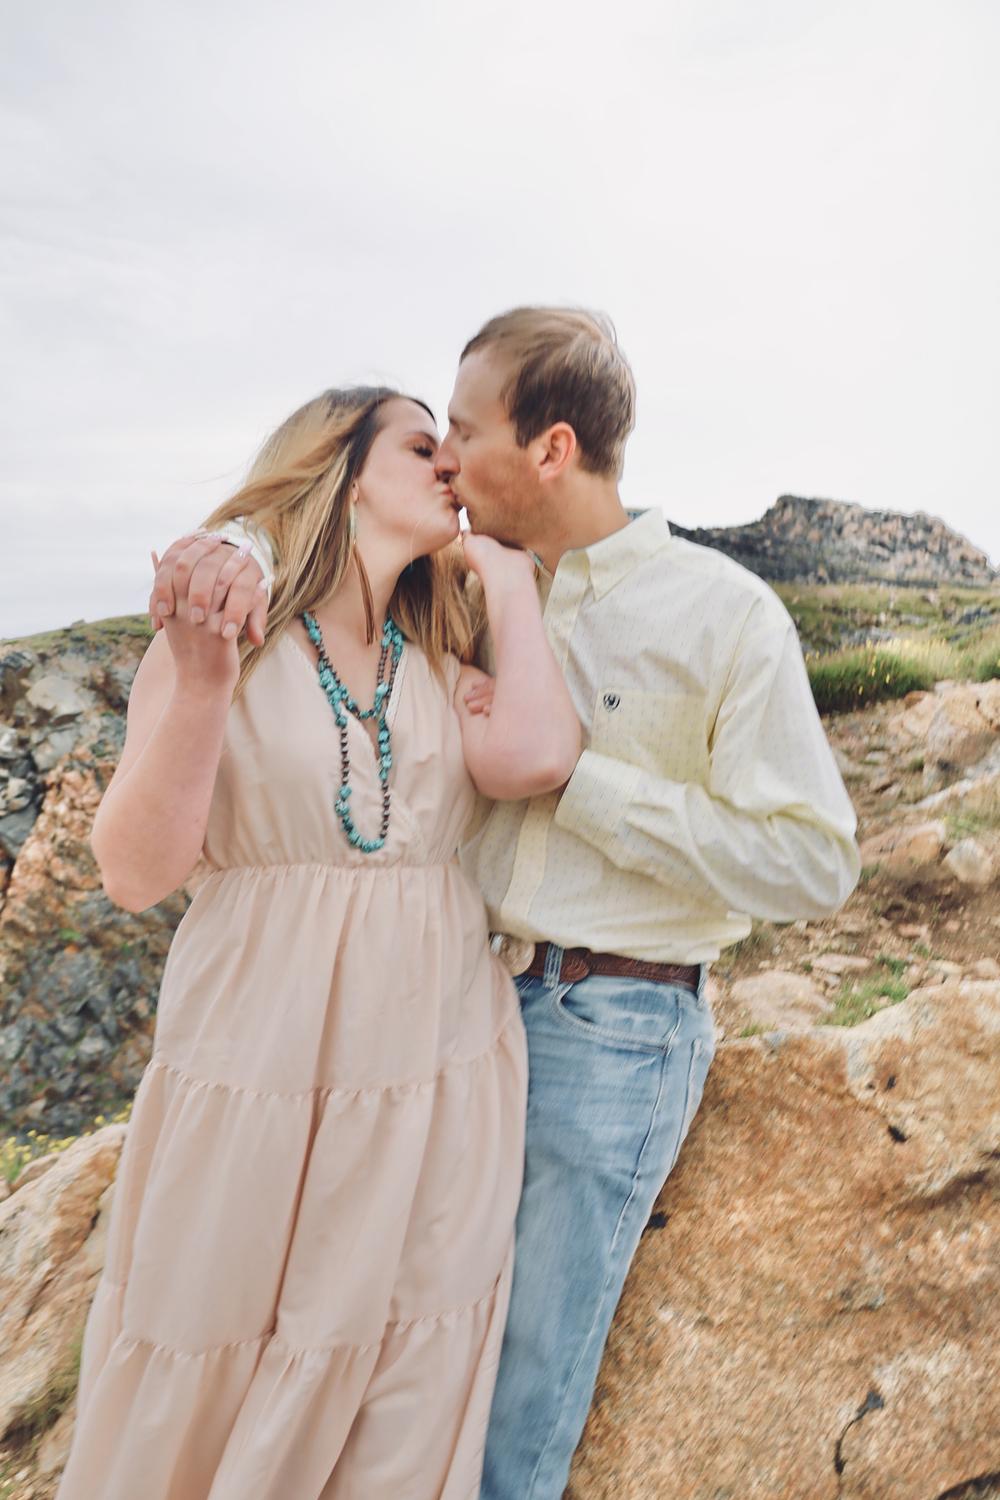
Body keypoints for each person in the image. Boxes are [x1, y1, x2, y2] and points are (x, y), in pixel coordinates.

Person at [151, 307, 862, 1499]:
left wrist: (583, 783)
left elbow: (812, 864)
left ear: (550, 448)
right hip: (444, 1021)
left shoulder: (725, 615)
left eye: (466, 431)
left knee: (508, 1407)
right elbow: (329, 545)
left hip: (609, 1034)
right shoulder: (459, 589)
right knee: (393, 1374)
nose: (446, 457)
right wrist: (239, 550)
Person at [56, 385, 582, 1500]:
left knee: (404, 1382)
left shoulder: (440, 652)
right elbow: (135, 873)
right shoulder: (223, 640)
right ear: (339, 474)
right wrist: (204, 684)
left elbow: (539, 755)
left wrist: (505, 576)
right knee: (208, 1353)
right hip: (257, 1067)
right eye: (421, 446)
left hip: (433, 1078)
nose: (450, 465)